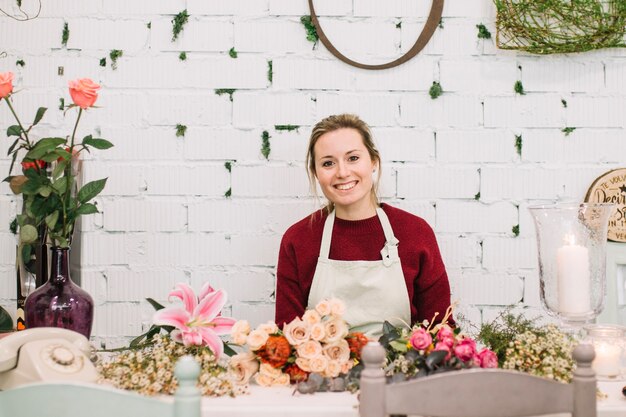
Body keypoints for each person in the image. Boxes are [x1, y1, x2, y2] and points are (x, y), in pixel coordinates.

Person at [274, 114, 453, 335]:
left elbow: (442, 332)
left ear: (374, 162)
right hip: (322, 370)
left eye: (353, 158)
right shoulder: (298, 240)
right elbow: (286, 339)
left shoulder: (415, 233)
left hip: (404, 369)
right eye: (328, 163)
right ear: (315, 173)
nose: (342, 172)